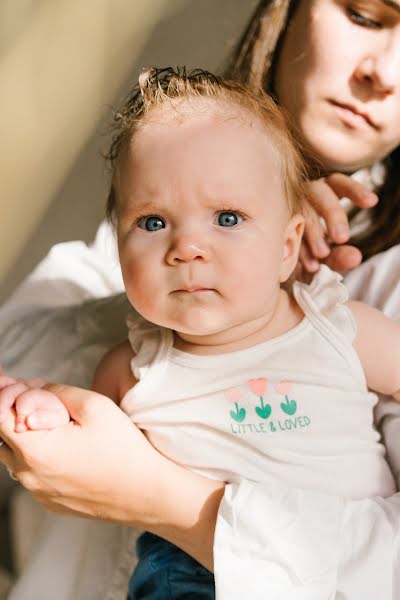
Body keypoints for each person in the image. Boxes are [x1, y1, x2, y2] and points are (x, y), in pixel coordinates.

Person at [0, 1, 399, 598]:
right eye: (366, 15)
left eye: (230, 216)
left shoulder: (348, 319)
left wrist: (159, 498)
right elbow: (39, 367)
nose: (384, 73)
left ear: (289, 242)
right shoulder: (135, 319)